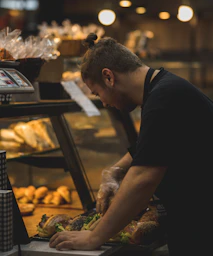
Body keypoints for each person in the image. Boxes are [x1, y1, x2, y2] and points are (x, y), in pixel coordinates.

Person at [50, 33, 213, 255]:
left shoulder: (163, 98)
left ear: (109, 77)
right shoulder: (164, 89)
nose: (105, 103)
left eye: (99, 94)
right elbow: (151, 145)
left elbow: (143, 179)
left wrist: (95, 237)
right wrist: (114, 170)